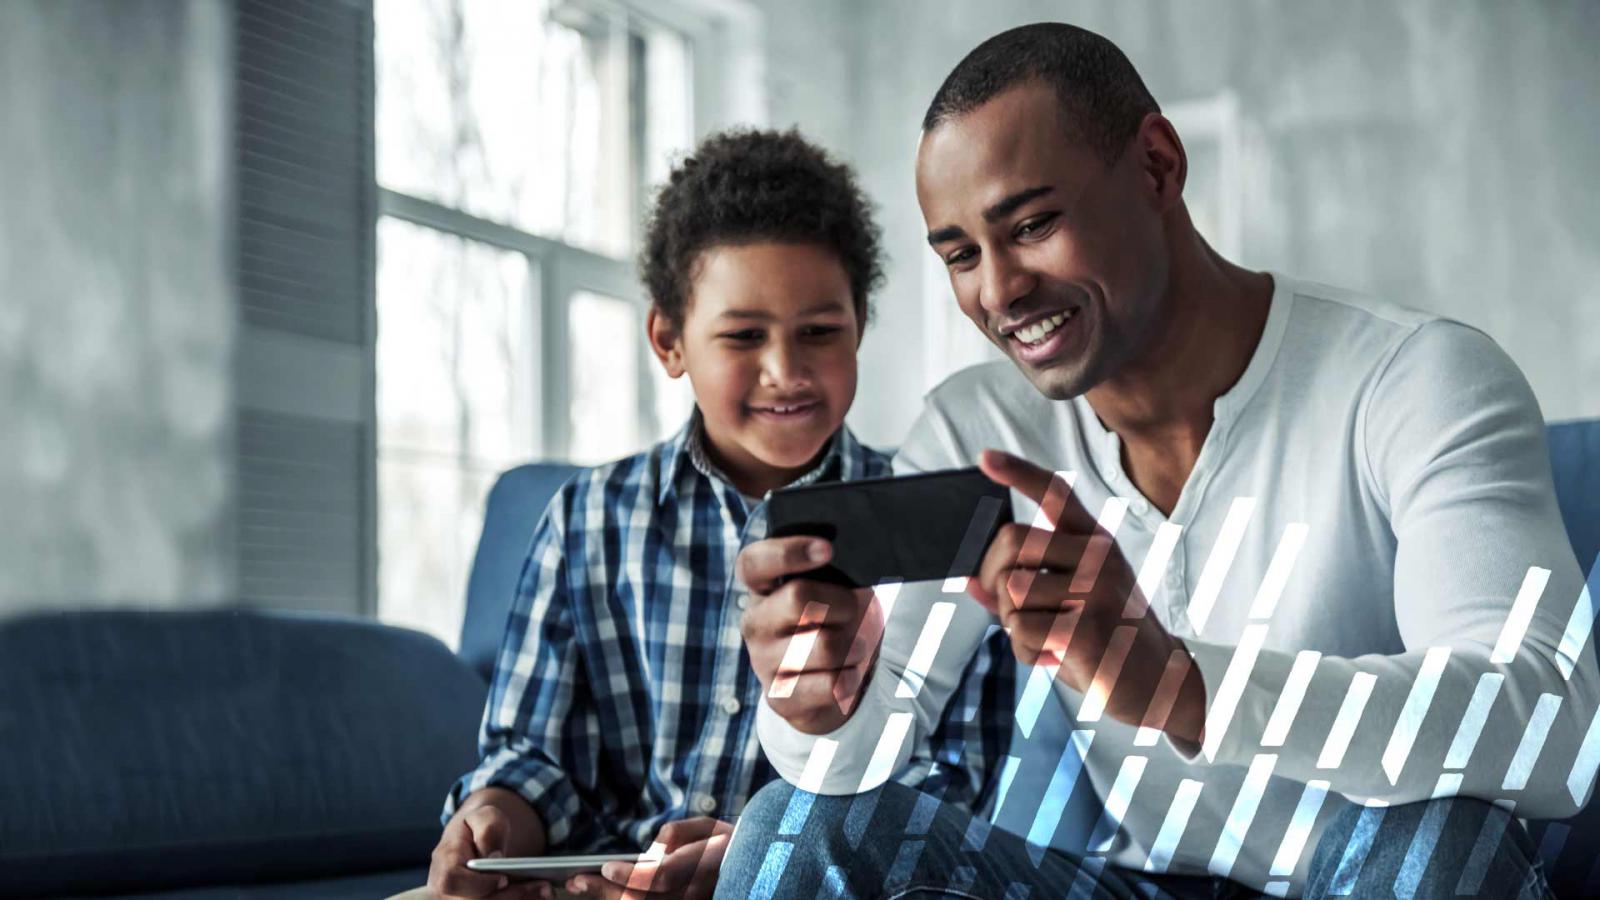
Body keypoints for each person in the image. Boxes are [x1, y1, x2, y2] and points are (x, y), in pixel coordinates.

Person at [721, 23, 1593, 899]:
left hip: (1362, 878)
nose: (998, 291)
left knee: (1436, 842)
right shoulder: (977, 428)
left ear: (1157, 166)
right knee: (794, 830)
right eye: (959, 255)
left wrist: (1183, 685)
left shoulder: (1415, 379)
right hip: (1130, 887)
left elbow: (1547, 727)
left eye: (1031, 224)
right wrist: (814, 701)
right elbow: (864, 748)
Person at [419, 129, 1013, 900]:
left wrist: (755, 856)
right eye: (743, 336)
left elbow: (956, 785)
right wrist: (494, 816)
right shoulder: (587, 523)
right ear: (669, 339)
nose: (786, 371)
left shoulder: (932, 522)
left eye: (820, 332)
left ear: (860, 324)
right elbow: (535, 755)